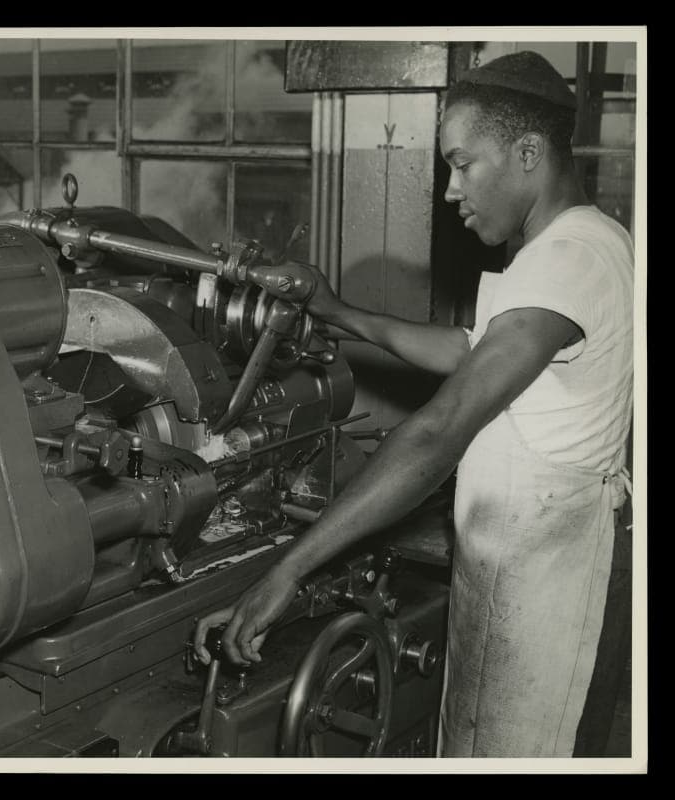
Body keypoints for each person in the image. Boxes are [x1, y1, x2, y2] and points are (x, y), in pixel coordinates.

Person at [193, 50, 634, 757]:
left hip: (551, 599)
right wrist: (335, 310)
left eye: (463, 164)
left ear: (527, 151)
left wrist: (285, 572)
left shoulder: (568, 259)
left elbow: (438, 432)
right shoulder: (580, 245)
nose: (452, 189)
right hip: (527, 574)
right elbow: (468, 348)